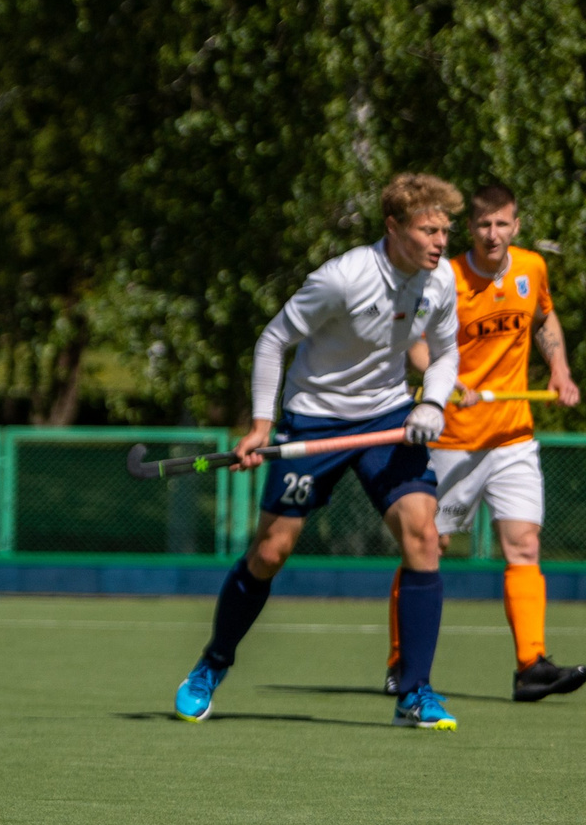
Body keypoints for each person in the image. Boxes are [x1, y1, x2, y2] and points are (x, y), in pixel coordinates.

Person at [175, 173, 463, 730]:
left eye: (445, 231)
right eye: (429, 230)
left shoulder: (440, 280)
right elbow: (273, 339)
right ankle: (211, 665)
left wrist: (434, 403)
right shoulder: (343, 278)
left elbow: (447, 351)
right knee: (270, 553)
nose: (440, 242)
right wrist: (263, 425)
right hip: (315, 419)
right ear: (394, 227)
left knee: (424, 536)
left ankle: (416, 692)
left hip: (385, 418)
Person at [380, 185, 585, 703]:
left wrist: (560, 370)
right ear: (469, 229)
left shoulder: (532, 268)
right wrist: (446, 384)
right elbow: (416, 342)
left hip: (512, 434)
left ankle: (531, 666)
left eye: (503, 224)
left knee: (524, 545)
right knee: (430, 546)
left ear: (516, 226)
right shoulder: (443, 277)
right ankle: (401, 659)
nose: (493, 234)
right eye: (483, 225)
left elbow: (543, 317)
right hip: (453, 435)